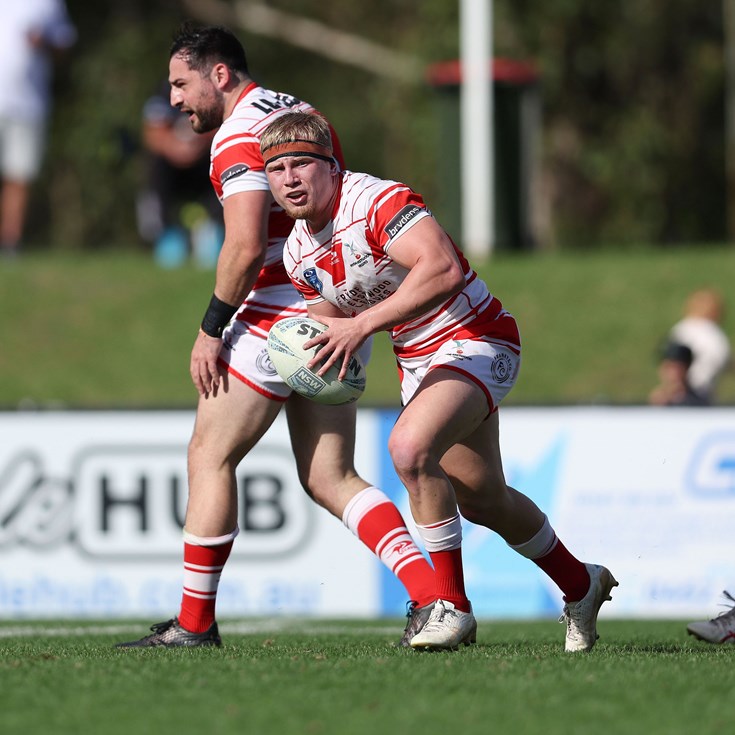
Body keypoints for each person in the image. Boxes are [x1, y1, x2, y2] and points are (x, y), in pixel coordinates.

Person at [116, 24, 435, 649]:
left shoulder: (238, 135)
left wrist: (211, 328)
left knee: (210, 455)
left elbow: (242, 245)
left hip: (275, 313)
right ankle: (435, 596)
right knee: (331, 477)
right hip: (334, 304)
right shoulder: (298, 111)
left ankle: (194, 624)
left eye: (180, 84)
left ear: (219, 75)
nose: (174, 100)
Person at [260, 111, 618, 652]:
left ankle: (450, 609)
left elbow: (443, 267)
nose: (289, 178)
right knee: (483, 500)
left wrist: (361, 325)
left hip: (476, 337)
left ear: (331, 167)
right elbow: (330, 326)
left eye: (301, 164)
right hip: (418, 362)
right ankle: (581, 584)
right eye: (277, 169)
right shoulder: (297, 253)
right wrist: (309, 360)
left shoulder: (376, 201)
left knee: (408, 449)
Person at [0, 0, 76, 256]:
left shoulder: (48, 3)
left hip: (29, 104)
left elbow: (64, 46)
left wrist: (43, 43)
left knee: (19, 175)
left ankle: (10, 243)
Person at [137, 80, 224, 268]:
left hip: (204, 162)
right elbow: (152, 133)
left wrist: (199, 142)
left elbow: (225, 126)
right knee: (156, 167)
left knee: (224, 160)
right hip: (170, 167)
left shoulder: (213, 90)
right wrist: (175, 148)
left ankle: (212, 230)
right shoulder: (164, 92)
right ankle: (167, 234)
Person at [669, 288, 731, 403]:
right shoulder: (717, 336)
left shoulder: (683, 328)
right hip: (704, 392)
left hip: (681, 391)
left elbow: (672, 362)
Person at [648, 341, 708, 407]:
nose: (672, 374)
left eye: (677, 368)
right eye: (668, 367)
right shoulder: (653, 402)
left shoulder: (698, 404)